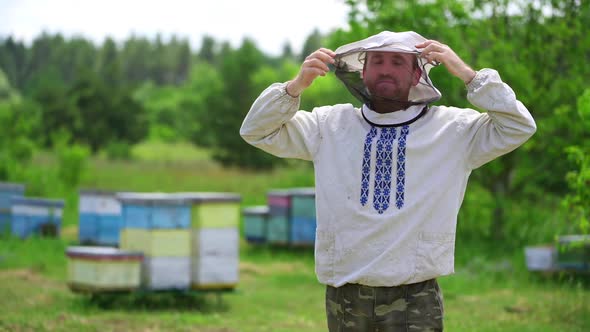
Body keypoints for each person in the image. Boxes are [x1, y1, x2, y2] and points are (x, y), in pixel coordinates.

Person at [240, 31, 536, 331]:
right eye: (377, 61)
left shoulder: (453, 130)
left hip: (415, 297)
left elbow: (518, 126)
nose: (385, 69)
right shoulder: (328, 125)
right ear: (363, 71)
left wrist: (467, 73)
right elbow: (256, 130)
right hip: (345, 295)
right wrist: (294, 87)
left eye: (398, 62)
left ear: (416, 73)